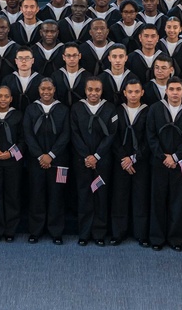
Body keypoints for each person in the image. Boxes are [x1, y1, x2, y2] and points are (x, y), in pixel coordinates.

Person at [146, 76, 182, 251]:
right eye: (172, 89)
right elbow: (150, 136)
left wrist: (176, 157)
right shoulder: (155, 109)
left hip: (180, 164)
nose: (175, 93)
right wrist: (163, 157)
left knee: (178, 202)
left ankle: (176, 239)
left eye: (178, 89)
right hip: (159, 163)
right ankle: (157, 238)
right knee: (158, 201)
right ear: (166, 91)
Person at [70, 77, 116, 246]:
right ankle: (84, 233)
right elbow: (74, 133)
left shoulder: (110, 109)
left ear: (101, 91)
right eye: (90, 89)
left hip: (102, 160)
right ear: (85, 90)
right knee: (84, 196)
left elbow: (111, 135)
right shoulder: (77, 108)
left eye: (97, 90)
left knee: (101, 197)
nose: (93, 93)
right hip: (82, 161)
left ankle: (99, 233)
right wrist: (86, 156)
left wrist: (96, 156)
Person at [23, 78, 69, 244]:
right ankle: (36, 230)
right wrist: (40, 156)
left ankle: (56, 231)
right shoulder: (31, 109)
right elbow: (27, 134)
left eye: (49, 89)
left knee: (57, 195)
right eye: (43, 89)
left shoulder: (63, 109)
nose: (46, 92)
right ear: (38, 90)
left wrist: (51, 155)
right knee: (36, 195)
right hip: (36, 161)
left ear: (54, 89)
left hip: (59, 161)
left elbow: (66, 135)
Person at [110, 78, 150, 246]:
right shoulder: (117, 110)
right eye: (130, 92)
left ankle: (141, 234)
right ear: (124, 93)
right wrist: (124, 159)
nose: (133, 95)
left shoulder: (149, 111)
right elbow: (113, 137)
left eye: (136, 92)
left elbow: (150, 139)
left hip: (141, 161)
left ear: (142, 93)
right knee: (119, 197)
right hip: (121, 162)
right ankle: (118, 233)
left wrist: (134, 158)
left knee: (141, 198)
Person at [0, 85, 24, 242]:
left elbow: (23, 140)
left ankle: (10, 230)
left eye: (6, 96)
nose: (3, 99)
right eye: (0, 96)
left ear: (11, 99)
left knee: (12, 195)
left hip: (13, 162)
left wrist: (11, 153)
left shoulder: (18, 115)